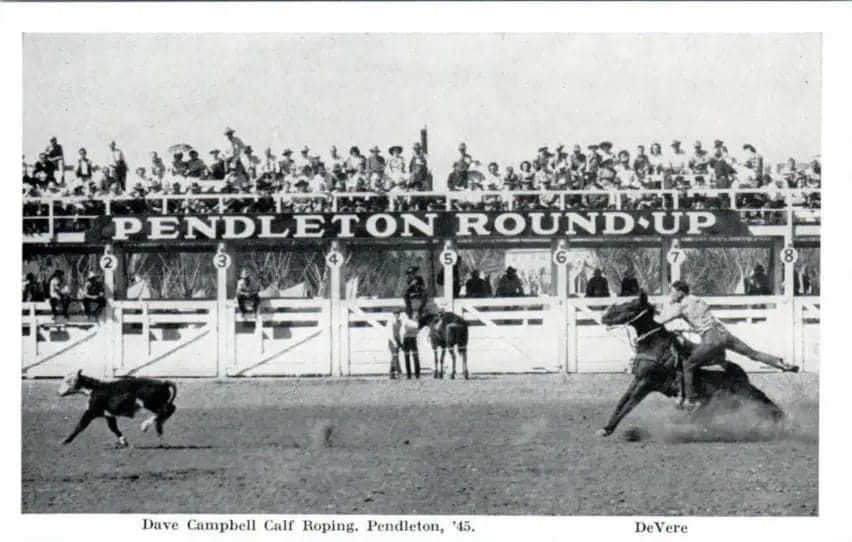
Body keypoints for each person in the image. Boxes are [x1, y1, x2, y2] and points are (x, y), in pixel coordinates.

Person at [658, 280, 798, 411]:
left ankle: (690, 399)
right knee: (752, 354)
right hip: (724, 333)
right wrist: (687, 329)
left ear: (681, 292)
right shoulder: (699, 300)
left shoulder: (681, 307)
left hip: (711, 339)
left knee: (688, 365)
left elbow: (660, 321)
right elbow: (702, 321)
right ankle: (781, 364)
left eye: (673, 291)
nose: (671, 294)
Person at [388, 310, 405, 379]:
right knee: (395, 356)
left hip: (398, 341)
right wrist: (394, 342)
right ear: (393, 314)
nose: (397, 315)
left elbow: (401, 332)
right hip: (392, 341)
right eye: (395, 314)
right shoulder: (390, 322)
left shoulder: (400, 322)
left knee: (394, 357)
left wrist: (400, 343)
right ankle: (399, 372)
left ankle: (391, 372)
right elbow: (389, 333)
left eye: (398, 314)